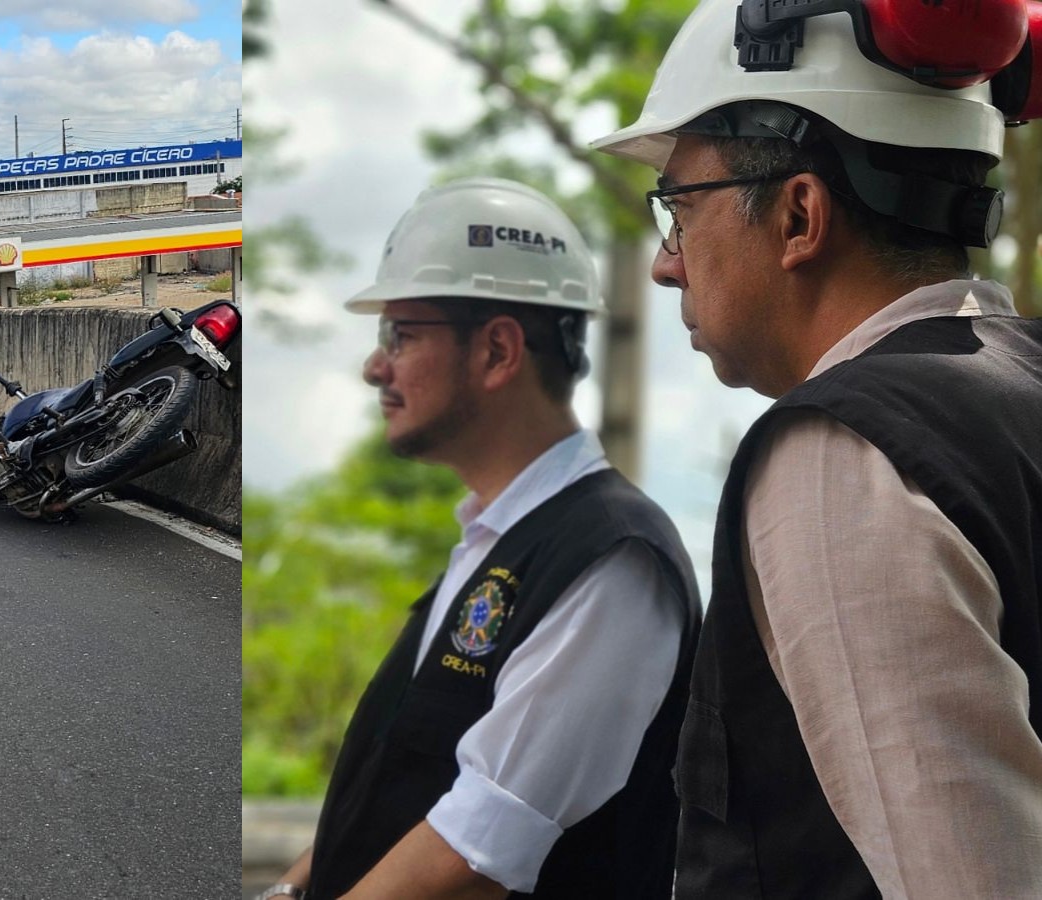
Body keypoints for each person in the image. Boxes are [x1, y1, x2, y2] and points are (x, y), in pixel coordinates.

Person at [592, 0, 1042, 896]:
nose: (665, 261)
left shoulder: (846, 456)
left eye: (680, 208)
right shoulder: (1015, 382)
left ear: (799, 215)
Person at [263, 178, 700, 900]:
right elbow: (398, 789)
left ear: (498, 351)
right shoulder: (496, 543)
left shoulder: (609, 562)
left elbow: (475, 855)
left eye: (400, 335)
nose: (376, 367)